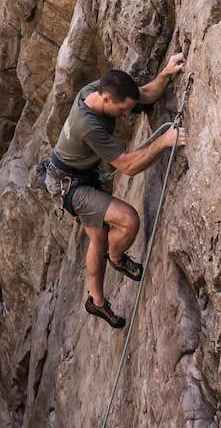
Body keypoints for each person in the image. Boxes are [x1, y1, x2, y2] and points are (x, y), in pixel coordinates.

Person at [42, 55, 186, 328]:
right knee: (128, 221)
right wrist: (165, 141)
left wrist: (166, 73)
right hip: (70, 185)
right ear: (107, 100)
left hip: (77, 173)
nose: (125, 115)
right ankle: (117, 258)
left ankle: (95, 302)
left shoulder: (100, 90)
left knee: (97, 238)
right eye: (121, 110)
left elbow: (143, 94)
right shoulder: (90, 126)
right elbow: (129, 166)